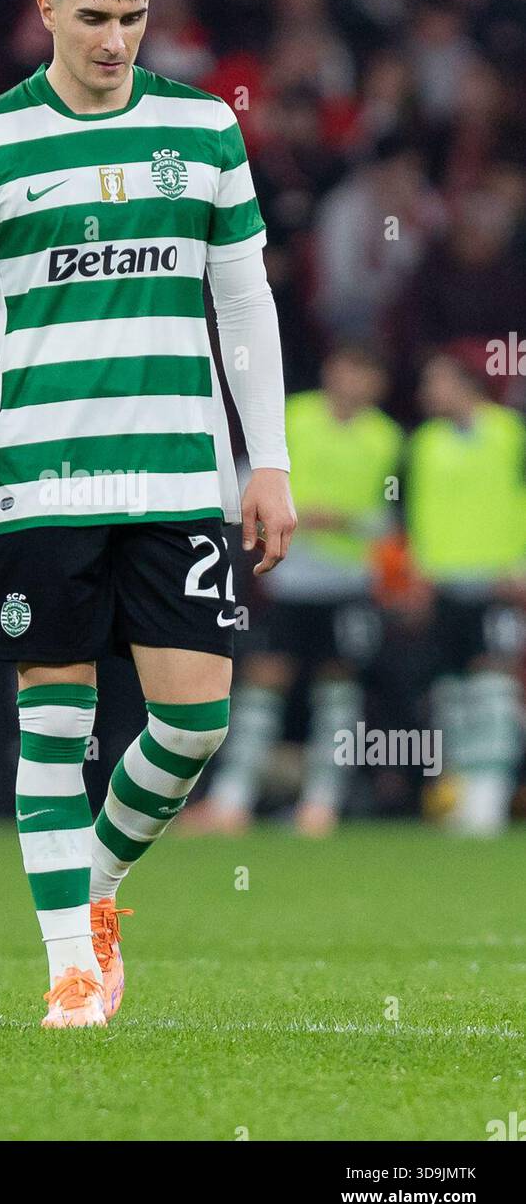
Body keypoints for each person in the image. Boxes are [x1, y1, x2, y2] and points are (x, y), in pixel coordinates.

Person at [0, 0, 296, 1028]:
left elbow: (242, 302)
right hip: (40, 483)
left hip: (180, 478)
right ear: (44, 10)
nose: (112, 39)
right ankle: (70, 966)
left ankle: (99, 888)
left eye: (130, 16)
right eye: (89, 17)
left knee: (192, 726)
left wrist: (265, 460)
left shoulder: (202, 127)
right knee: (52, 723)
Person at [182, 344, 402, 837]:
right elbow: (245, 481)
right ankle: (231, 801)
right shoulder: (292, 418)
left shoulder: (386, 439)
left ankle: (322, 804)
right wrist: (295, 510)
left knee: (338, 692)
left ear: (378, 384)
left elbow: (393, 517)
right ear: (331, 369)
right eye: (348, 367)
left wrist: (346, 521)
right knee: (262, 685)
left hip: (348, 585)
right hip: (282, 581)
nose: (355, 381)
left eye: (366, 372)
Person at [408, 346, 526, 835]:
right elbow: (416, 510)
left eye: (436, 381)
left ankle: (490, 794)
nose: (426, 391)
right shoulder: (424, 442)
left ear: (465, 385)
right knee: (452, 692)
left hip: (496, 583)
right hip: (441, 586)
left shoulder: (509, 433)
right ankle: (460, 789)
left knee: (492, 688)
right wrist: (416, 570)